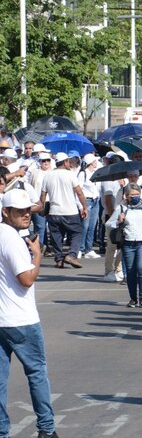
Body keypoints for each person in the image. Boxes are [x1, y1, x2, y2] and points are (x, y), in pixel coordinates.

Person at [0, 190, 59, 438]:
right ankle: (46, 429)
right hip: (21, 320)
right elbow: (26, 279)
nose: (26, 214)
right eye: (19, 211)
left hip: (3, 318)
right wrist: (36, 255)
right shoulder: (11, 238)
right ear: (6, 212)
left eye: (28, 210)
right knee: (37, 374)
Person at [107, 183, 142, 309]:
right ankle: (133, 298)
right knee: (131, 272)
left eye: (137, 194)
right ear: (126, 196)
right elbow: (108, 223)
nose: (135, 196)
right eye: (132, 195)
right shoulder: (121, 208)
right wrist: (118, 221)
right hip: (128, 243)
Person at [40, 152, 87, 269]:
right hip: (70, 211)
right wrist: (84, 207)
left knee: (56, 236)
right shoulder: (70, 175)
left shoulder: (48, 176)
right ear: (65, 162)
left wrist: (41, 208)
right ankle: (71, 255)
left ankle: (59, 259)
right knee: (77, 232)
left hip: (54, 211)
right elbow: (79, 192)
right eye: (68, 162)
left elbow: (43, 195)